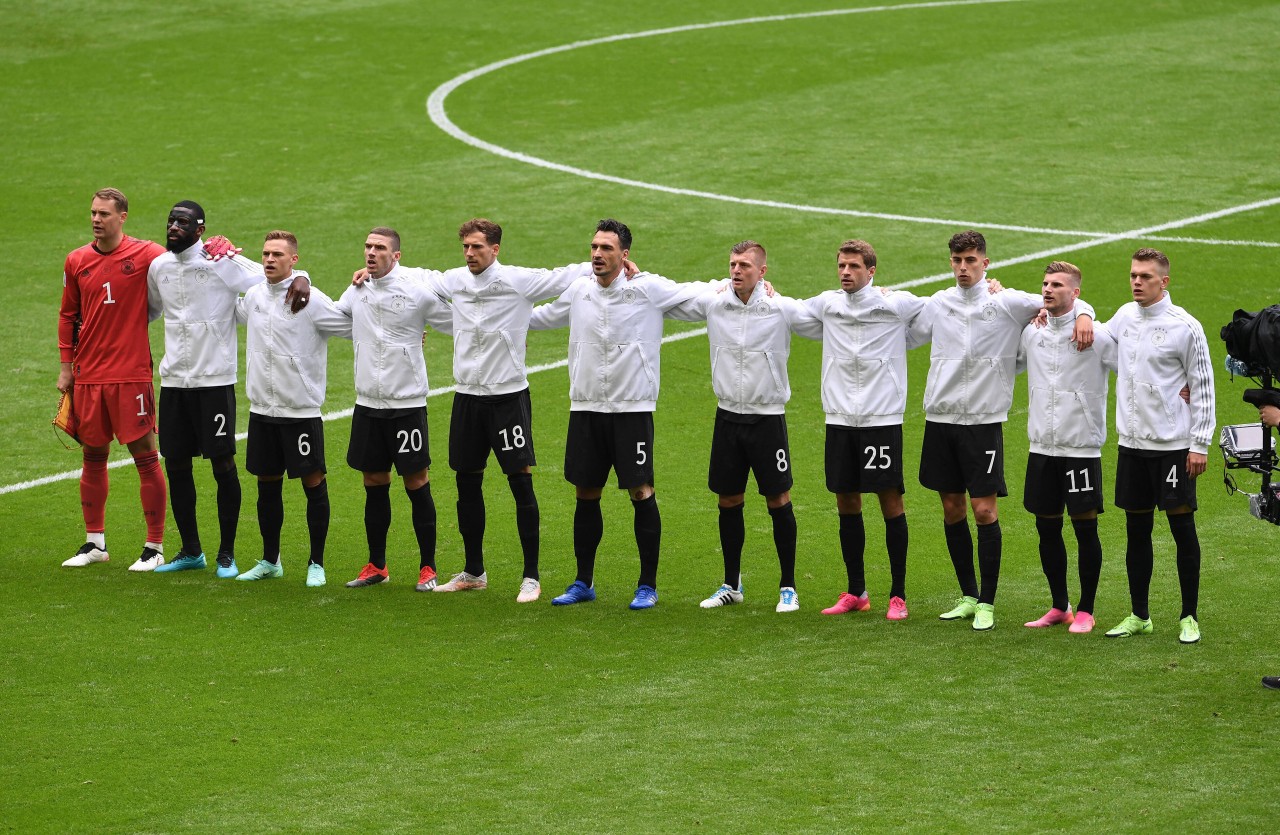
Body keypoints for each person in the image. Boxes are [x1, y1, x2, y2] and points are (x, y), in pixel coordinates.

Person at [390, 219, 596, 602]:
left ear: (495, 249)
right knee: (466, 483)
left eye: (477, 247)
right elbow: (418, 275)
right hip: (467, 398)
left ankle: (531, 576)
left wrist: (612, 266)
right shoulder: (455, 281)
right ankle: (473, 571)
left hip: (507, 399)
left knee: (520, 482)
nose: (470, 254)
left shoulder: (518, 281)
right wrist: (374, 270)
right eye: (466, 247)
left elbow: (563, 276)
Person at [909, 230, 1093, 631]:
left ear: (985, 263)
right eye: (957, 260)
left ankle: (988, 603)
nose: (963, 268)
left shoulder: (1007, 302)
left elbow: (1065, 298)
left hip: (983, 424)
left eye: (971, 260)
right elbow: (906, 333)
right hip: (940, 422)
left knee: (984, 509)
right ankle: (968, 595)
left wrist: (1084, 315)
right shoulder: (938, 304)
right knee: (952, 508)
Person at [529, 219, 705, 609]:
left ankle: (647, 585)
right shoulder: (579, 291)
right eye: (593, 247)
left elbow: (697, 295)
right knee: (585, 493)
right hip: (586, 408)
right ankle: (583, 581)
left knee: (640, 491)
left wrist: (750, 288)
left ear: (624, 255)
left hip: (632, 410)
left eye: (606, 248)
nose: (596, 254)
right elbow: (540, 318)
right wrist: (491, 315)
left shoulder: (647, 290)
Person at [146, 201, 310, 578]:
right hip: (174, 383)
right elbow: (152, 310)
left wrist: (303, 277)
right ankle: (191, 550)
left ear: (200, 229)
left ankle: (226, 554)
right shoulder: (159, 267)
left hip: (215, 382)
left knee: (223, 464)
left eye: (183, 222)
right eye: (171, 220)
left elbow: (274, 278)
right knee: (176, 465)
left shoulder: (222, 261)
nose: (174, 227)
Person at [666, 240, 819, 613]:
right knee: (728, 499)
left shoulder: (781, 308)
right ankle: (731, 584)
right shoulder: (714, 301)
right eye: (733, 264)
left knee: (778, 499)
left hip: (767, 420)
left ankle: (788, 586)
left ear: (762, 271)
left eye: (745, 266)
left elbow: (823, 317)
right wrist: (632, 275)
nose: (737, 271)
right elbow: (670, 297)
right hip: (727, 418)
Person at [800, 240, 925, 621]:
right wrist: (762, 290)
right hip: (839, 419)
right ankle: (857, 591)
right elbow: (785, 312)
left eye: (853, 266)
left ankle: (898, 595)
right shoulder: (827, 304)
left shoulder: (895, 303)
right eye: (841, 266)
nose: (845, 272)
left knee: (890, 500)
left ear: (871, 271)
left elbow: (945, 308)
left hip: (881, 419)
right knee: (846, 500)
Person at [1101, 248, 1215, 644]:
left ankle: (1189, 616)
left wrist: (1199, 444)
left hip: (1172, 446)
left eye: (1145, 276)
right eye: (1133, 275)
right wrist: (1078, 312)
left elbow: (1202, 386)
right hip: (1131, 445)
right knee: (1136, 530)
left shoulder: (1186, 326)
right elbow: (1096, 338)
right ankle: (1139, 614)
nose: (1136, 281)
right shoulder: (1124, 317)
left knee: (1182, 527)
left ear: (1164, 281)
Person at [58, 188, 170, 571]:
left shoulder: (147, 254)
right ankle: (95, 543)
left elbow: (188, 263)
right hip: (88, 376)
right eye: (92, 212)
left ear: (122, 217)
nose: (96, 219)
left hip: (130, 374)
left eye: (104, 214)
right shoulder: (76, 260)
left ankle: (154, 547)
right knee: (93, 456)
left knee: (145, 457)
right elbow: (67, 316)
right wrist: (66, 367)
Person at [336, 228, 453, 591]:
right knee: (373, 482)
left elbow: (456, 322)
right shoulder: (357, 290)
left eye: (380, 248)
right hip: (368, 404)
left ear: (397, 255)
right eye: (368, 246)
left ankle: (429, 567)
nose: (371, 252)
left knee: (416, 482)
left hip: (406, 406)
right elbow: (334, 319)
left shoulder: (417, 292)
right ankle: (377, 564)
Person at [234, 231, 351, 586]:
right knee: (266, 485)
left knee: (313, 484)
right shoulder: (253, 296)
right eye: (266, 254)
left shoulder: (310, 300)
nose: (270, 260)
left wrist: (404, 333)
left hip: (300, 411)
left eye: (278, 255)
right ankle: (271, 560)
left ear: (294, 260)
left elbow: (349, 325)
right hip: (262, 410)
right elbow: (223, 306)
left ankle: (317, 562)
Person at [1016, 261, 1116, 634]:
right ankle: (1060, 605)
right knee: (1046, 528)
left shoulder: (1096, 336)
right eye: (1045, 284)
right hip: (1041, 447)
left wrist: (1180, 388)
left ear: (1074, 292)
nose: (1047, 289)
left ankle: (1087, 609)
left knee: (1085, 528)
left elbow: (1133, 368)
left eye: (1057, 284)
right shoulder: (1033, 333)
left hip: (1080, 449)